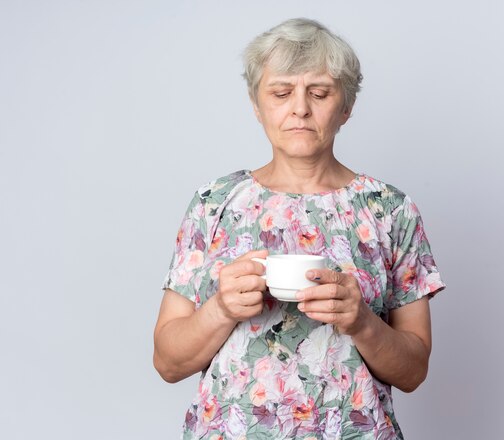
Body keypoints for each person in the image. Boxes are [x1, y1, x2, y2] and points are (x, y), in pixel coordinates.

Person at [153, 18, 445, 440]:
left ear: (347, 107)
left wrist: (361, 321)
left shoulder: (389, 210)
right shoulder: (213, 203)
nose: (300, 108)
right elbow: (167, 362)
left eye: (320, 92)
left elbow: (414, 370)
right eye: (281, 92)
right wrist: (221, 308)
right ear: (257, 105)